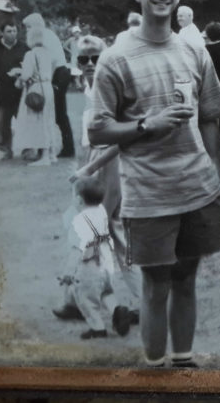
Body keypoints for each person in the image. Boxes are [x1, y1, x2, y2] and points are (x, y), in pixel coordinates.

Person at [88, 0, 220, 369]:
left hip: (196, 189)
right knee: (155, 284)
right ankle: (153, 370)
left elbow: (209, 117)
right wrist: (146, 124)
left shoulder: (193, 50)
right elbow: (98, 130)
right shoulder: (116, 58)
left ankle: (183, 365)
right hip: (148, 194)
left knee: (186, 279)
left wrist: (214, 175)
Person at [70, 34, 141, 325]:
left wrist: (90, 169)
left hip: (109, 166)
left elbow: (121, 139)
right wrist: (82, 166)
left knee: (106, 232)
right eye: (82, 59)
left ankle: (133, 302)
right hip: (93, 164)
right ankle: (82, 298)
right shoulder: (90, 88)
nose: (89, 64)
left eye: (95, 58)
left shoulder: (111, 88)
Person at [52, 176, 131, 340]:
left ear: (79, 200)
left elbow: (76, 250)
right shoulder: (101, 212)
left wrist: (68, 272)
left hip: (88, 268)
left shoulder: (78, 222)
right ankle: (117, 309)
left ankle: (98, 328)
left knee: (86, 300)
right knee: (105, 292)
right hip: (106, 265)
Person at [14, 13, 63, 166]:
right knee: (49, 119)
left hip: (36, 88)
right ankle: (52, 153)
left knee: (38, 121)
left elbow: (26, 74)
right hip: (48, 87)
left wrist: (18, 74)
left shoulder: (30, 54)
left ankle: (45, 156)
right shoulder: (48, 53)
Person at [0, 21, 27, 161]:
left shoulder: (23, 47)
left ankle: (27, 149)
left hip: (20, 93)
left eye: (14, 31)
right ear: (2, 33)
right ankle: (6, 149)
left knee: (24, 121)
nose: (12, 34)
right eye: (9, 31)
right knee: (1, 123)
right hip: (1, 92)